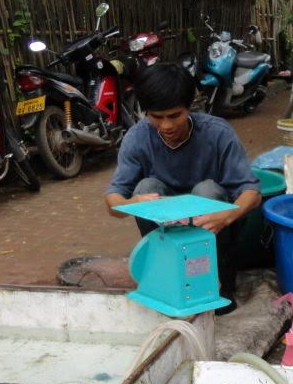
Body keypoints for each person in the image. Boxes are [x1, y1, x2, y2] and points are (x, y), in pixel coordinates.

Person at [104, 63, 261, 314]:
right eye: (156, 117)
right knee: (146, 186)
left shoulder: (217, 132)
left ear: (190, 107)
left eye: (174, 115)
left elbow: (252, 193)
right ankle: (164, 277)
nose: (166, 126)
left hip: (215, 226)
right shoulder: (136, 138)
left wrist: (228, 215)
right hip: (168, 226)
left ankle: (220, 284)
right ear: (146, 113)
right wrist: (131, 204)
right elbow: (113, 201)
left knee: (207, 191)